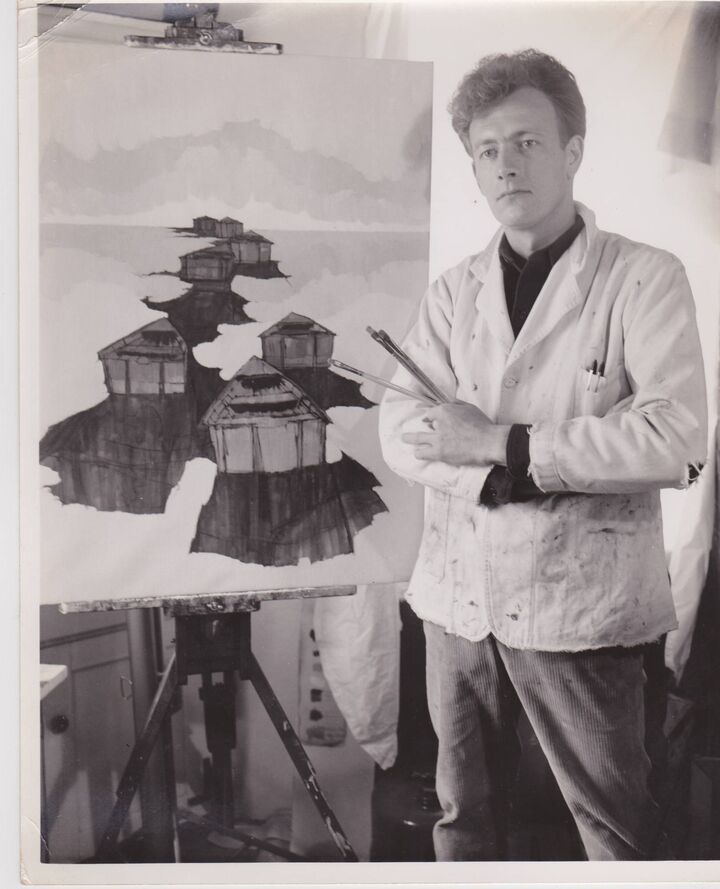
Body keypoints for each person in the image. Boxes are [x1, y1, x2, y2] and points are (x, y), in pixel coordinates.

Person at [378, 49, 707, 861]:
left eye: (526, 142)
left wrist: (503, 445)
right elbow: (399, 427)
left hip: (584, 613)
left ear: (573, 150)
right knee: (465, 823)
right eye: (487, 150)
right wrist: (499, 471)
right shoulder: (454, 291)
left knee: (616, 832)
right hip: (458, 609)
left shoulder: (643, 277)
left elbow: (677, 440)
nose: (505, 166)